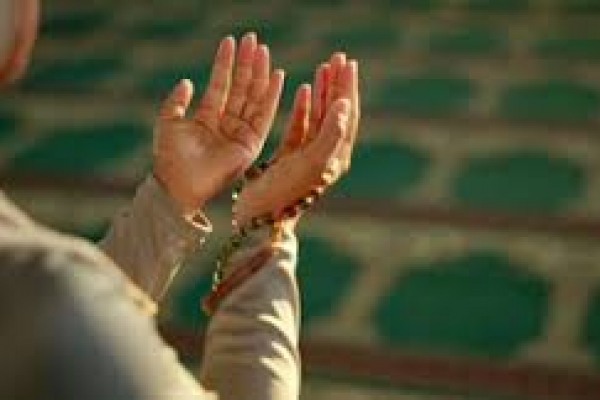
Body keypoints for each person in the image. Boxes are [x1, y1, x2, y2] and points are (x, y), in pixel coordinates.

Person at [0, 1, 361, 399]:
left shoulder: (45, 294)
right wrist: (268, 225)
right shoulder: (53, 295)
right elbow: (59, 325)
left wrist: (169, 199)